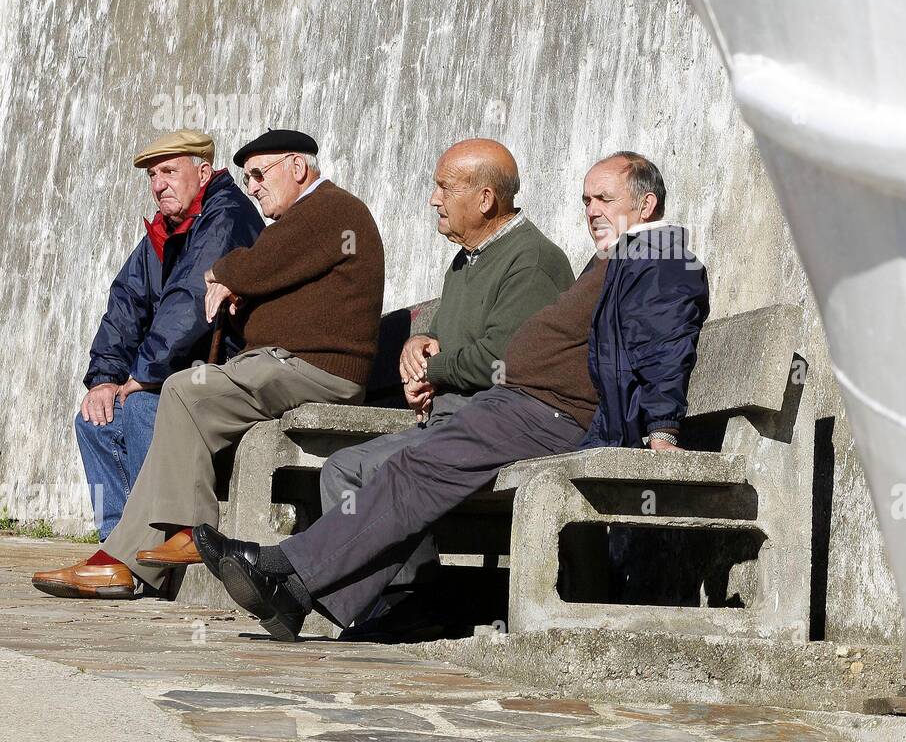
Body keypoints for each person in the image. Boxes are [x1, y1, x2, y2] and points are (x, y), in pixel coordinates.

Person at [194, 151, 709, 641]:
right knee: (403, 468)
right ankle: (296, 594)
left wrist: (662, 430)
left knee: (412, 470)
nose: (592, 211)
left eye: (605, 199)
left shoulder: (658, 256)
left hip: (551, 415)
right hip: (521, 405)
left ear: (646, 205)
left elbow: (665, 342)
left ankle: (285, 569)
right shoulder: (619, 258)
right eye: (586, 200)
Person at [33, 130, 384, 600]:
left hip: (316, 370)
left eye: (260, 175)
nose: (253, 186)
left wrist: (224, 275)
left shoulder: (332, 209)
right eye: (247, 177)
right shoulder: (296, 221)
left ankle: (190, 531)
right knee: (167, 398)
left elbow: (256, 263)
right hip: (281, 366)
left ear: (297, 168)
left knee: (180, 391)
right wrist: (106, 377)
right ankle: (122, 557)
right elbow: (130, 300)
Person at [318, 139, 573, 596]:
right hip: (447, 422)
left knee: (372, 470)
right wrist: (418, 349)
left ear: (486, 199)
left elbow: (502, 357)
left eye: (444, 188)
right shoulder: (465, 259)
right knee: (342, 467)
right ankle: (401, 594)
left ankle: (396, 599)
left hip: (495, 430)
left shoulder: (530, 260)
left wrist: (433, 372)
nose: (434, 199)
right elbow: (442, 341)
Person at [76, 129, 263, 540]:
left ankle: (152, 542)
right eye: (151, 175)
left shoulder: (225, 215)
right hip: (176, 369)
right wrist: (105, 379)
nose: (158, 184)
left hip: (226, 369)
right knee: (94, 419)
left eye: (168, 171)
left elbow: (189, 302)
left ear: (203, 171)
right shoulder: (165, 230)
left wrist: (144, 375)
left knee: (143, 407)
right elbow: (126, 302)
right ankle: (116, 541)